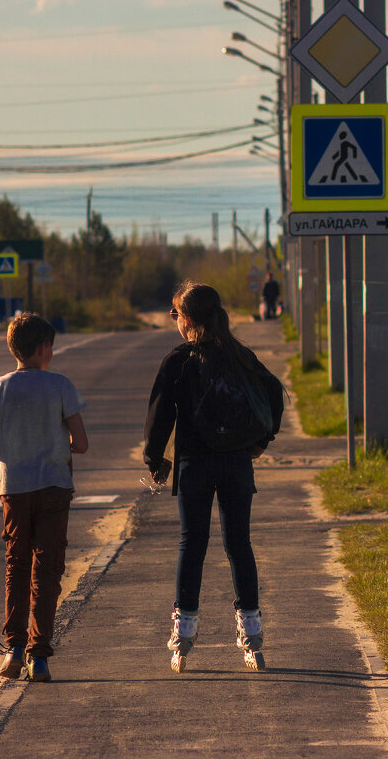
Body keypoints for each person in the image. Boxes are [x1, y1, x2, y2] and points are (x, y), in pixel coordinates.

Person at [144, 281, 285, 673]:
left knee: (193, 545)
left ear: (186, 318)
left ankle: (184, 632)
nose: (175, 321)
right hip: (237, 462)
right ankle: (252, 633)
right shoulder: (240, 355)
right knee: (239, 544)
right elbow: (273, 392)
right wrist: (262, 440)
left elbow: (159, 416)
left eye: (175, 314)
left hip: (195, 464)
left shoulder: (179, 360)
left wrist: (155, 459)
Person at [0, 312, 88, 682]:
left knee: (17, 566)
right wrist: (56, 443)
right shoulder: (61, 386)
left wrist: (12, 449)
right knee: (48, 569)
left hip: (13, 488)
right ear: (43, 349)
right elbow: (81, 444)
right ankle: (40, 656)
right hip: (53, 485)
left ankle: (14, 649)